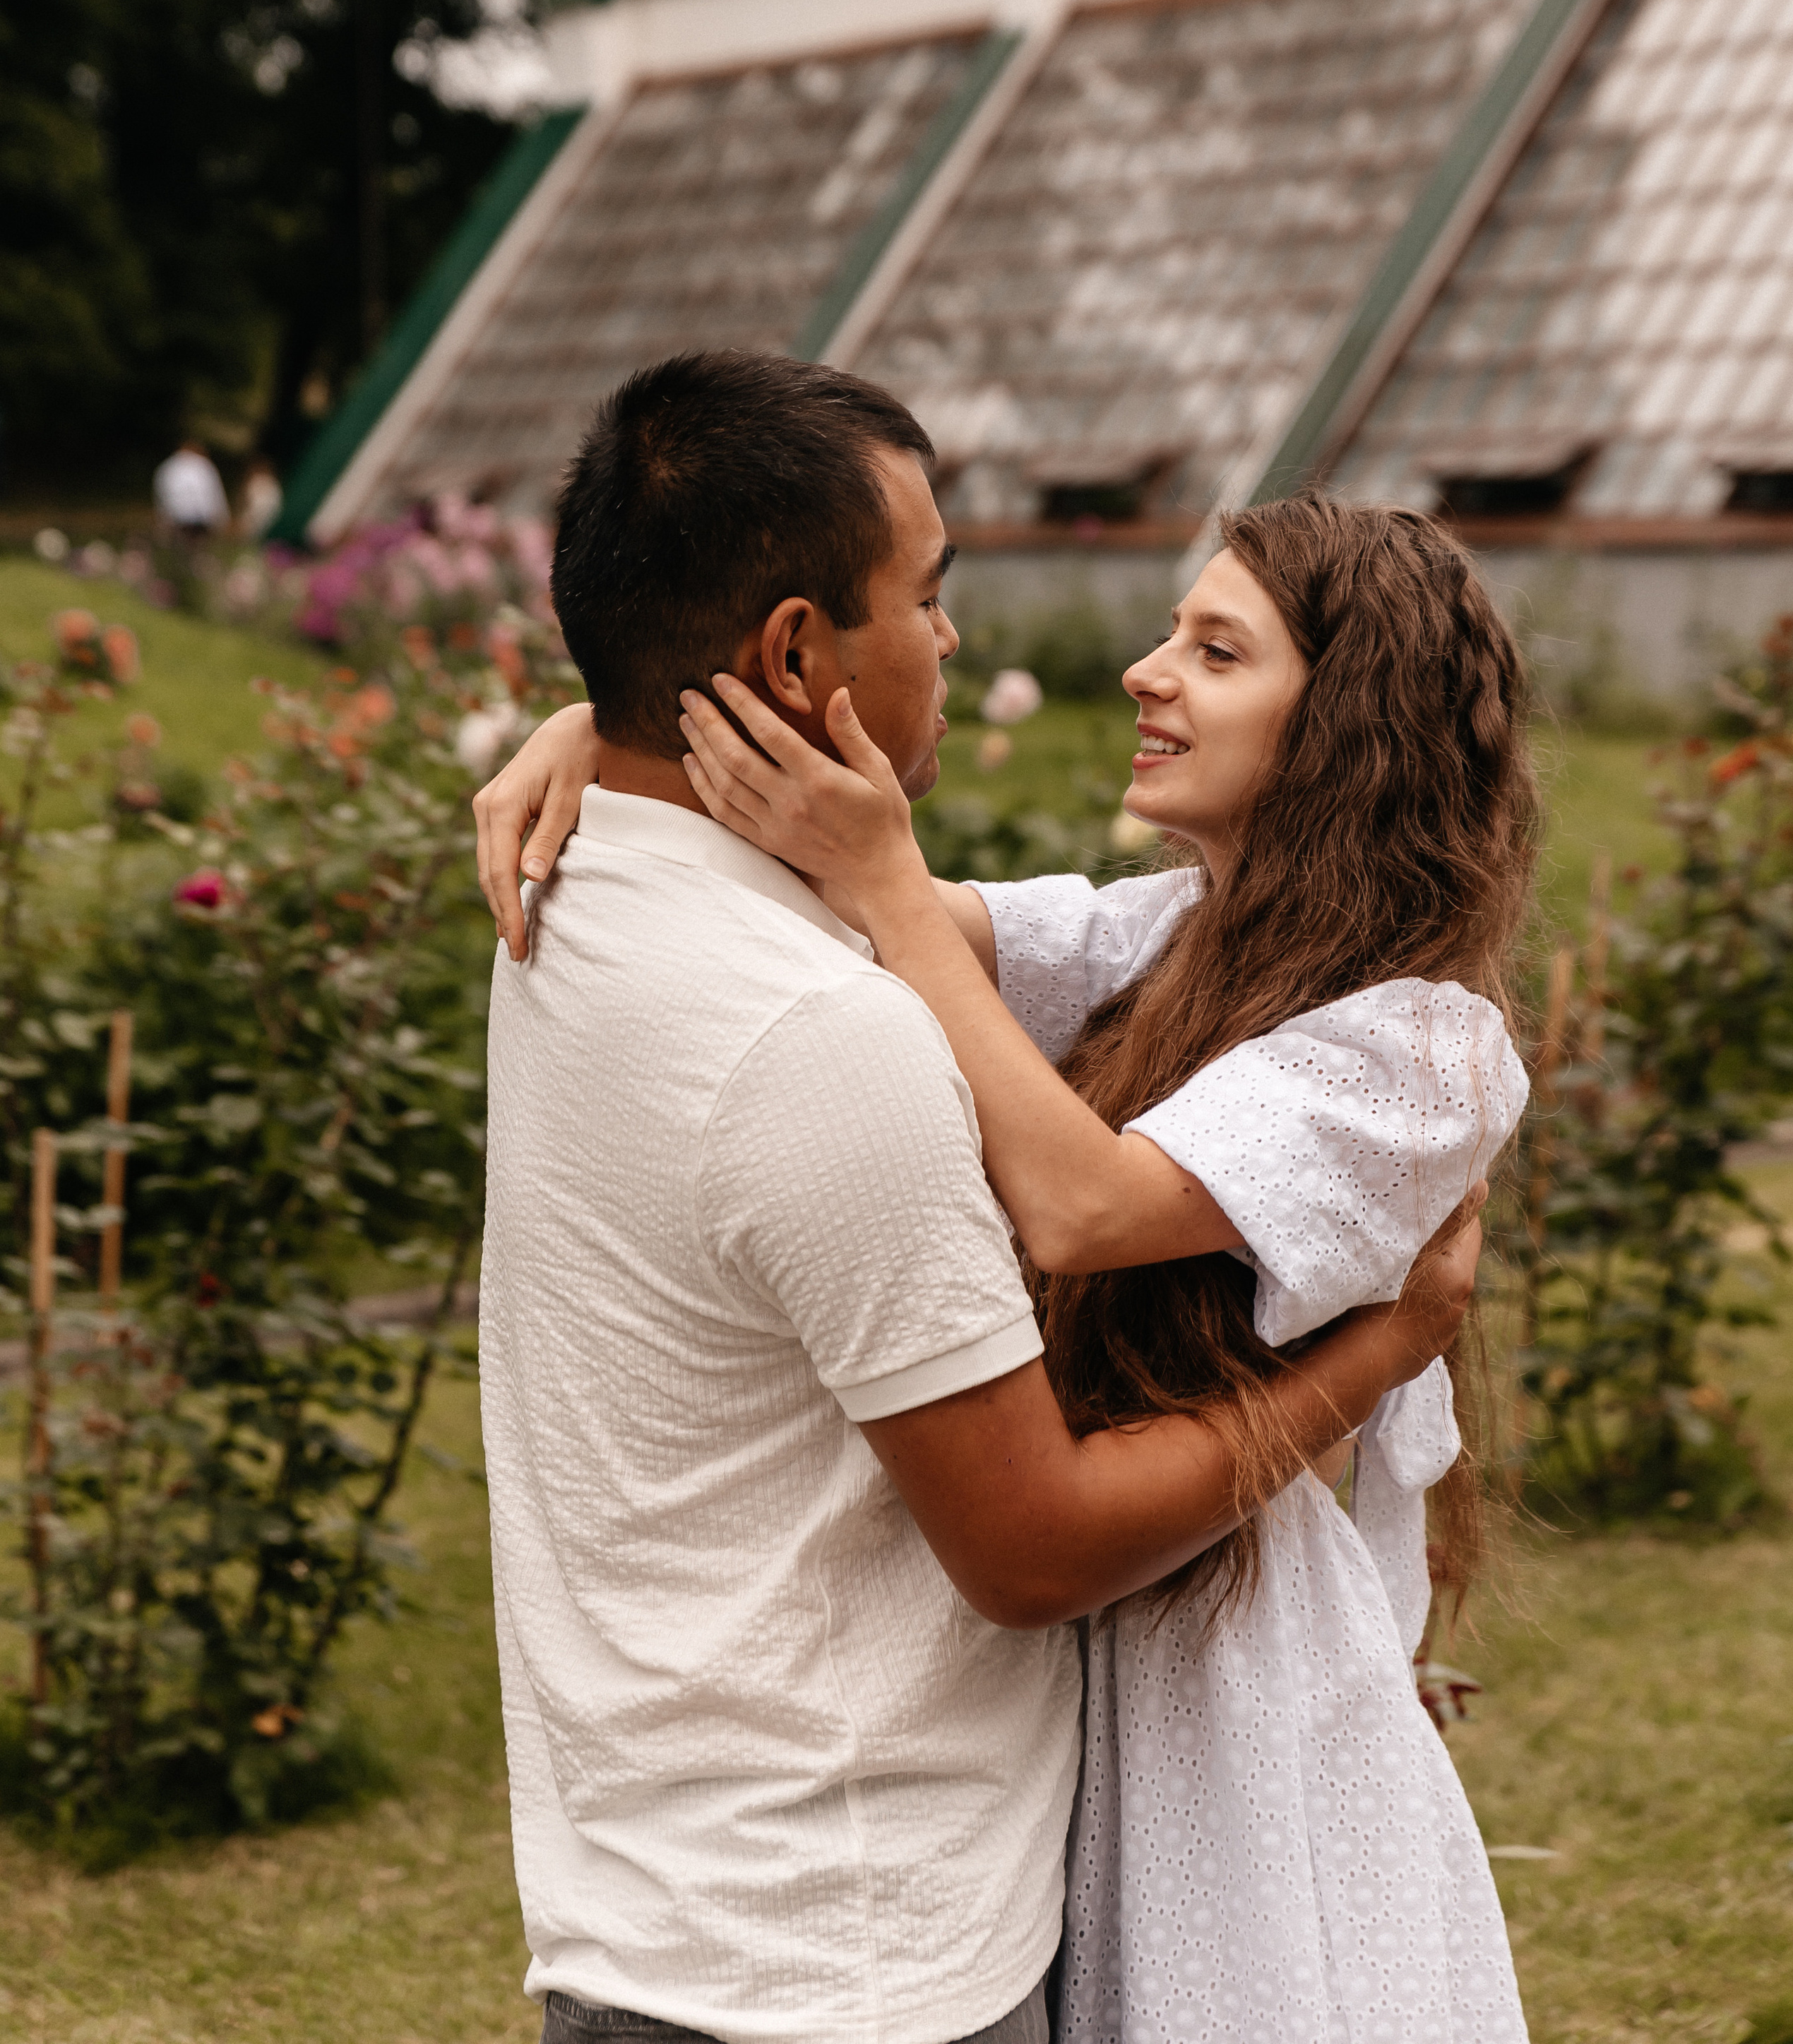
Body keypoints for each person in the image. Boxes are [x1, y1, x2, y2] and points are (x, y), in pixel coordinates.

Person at [474, 352, 1484, 2044]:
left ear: (1341, 728)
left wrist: (657, 716)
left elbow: (1086, 1199)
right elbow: (955, 972)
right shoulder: (1143, 941)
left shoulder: (1421, 1045)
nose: (1135, 670)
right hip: (884, 1895)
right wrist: (602, 713)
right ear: (794, 649)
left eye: (1215, 650)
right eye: (924, 593)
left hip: (1226, 1690)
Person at [151, 435, 229, 539]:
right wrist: (222, 517)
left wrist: (163, 518)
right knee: (198, 545)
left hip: (176, 516)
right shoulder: (204, 465)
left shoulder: (167, 466)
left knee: (180, 545)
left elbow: (161, 495)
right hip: (202, 517)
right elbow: (215, 493)